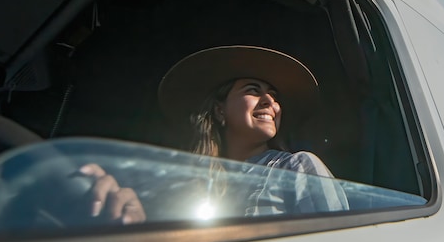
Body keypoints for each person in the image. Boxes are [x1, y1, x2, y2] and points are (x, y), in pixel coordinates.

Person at [80, 45, 349, 224]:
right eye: (253, 90)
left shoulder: (298, 167)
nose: (270, 101)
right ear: (219, 110)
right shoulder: (184, 181)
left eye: (275, 96)